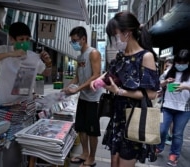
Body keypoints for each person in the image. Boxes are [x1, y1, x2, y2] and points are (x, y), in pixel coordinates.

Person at [90, 11, 160, 167]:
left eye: (115, 36)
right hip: (118, 117)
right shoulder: (120, 57)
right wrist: (97, 81)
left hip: (135, 118)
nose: (114, 41)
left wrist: (120, 92)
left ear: (127, 33)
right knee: (114, 162)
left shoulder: (145, 56)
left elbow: (152, 93)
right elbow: (109, 74)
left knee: (124, 163)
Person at [0, 22, 52, 104]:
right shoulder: (3, 50)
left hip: (24, 105)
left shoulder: (33, 56)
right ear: (12, 39)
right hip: (3, 102)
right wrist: (11, 54)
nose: (25, 42)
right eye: (21, 39)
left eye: (27, 39)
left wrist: (48, 63)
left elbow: (47, 73)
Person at [63, 26, 102, 167]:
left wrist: (77, 89)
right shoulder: (79, 57)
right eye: (72, 41)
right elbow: (77, 77)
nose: (73, 43)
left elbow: (96, 75)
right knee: (81, 127)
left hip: (94, 99)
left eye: (75, 40)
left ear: (84, 39)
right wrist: (69, 87)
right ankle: (84, 153)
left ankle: (91, 158)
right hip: (83, 97)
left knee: (92, 131)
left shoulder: (94, 53)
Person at [156, 49, 190, 167]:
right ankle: (159, 147)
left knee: (177, 134)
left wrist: (185, 87)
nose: (180, 65)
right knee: (162, 129)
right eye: (178, 62)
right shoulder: (170, 70)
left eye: (183, 63)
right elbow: (158, 83)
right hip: (167, 105)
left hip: (184, 109)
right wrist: (166, 82)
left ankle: (174, 155)